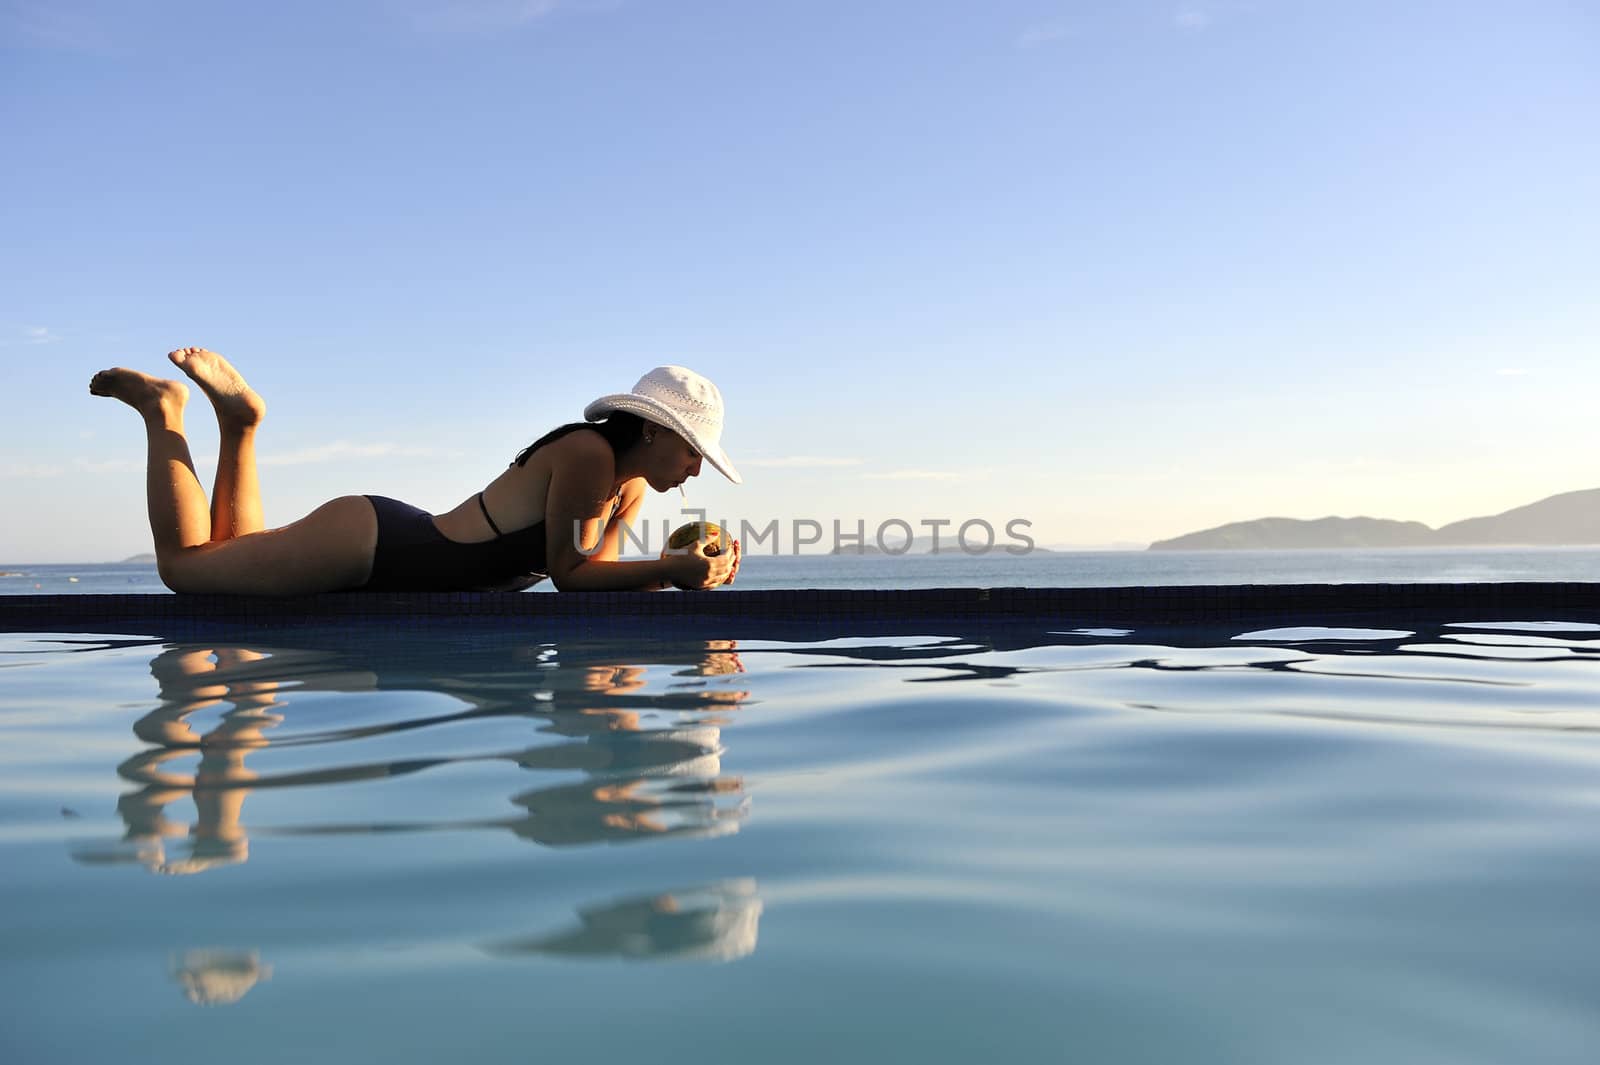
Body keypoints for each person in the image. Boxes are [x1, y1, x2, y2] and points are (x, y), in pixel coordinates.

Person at [89, 349, 741, 594]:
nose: (694, 470)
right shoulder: (588, 456)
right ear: (653, 430)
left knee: (226, 557)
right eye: (691, 451)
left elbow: (600, 582)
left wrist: (686, 576)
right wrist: (668, 570)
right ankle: (163, 411)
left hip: (389, 543)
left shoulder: (624, 487)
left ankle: (239, 426)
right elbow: (569, 577)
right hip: (379, 546)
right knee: (185, 570)